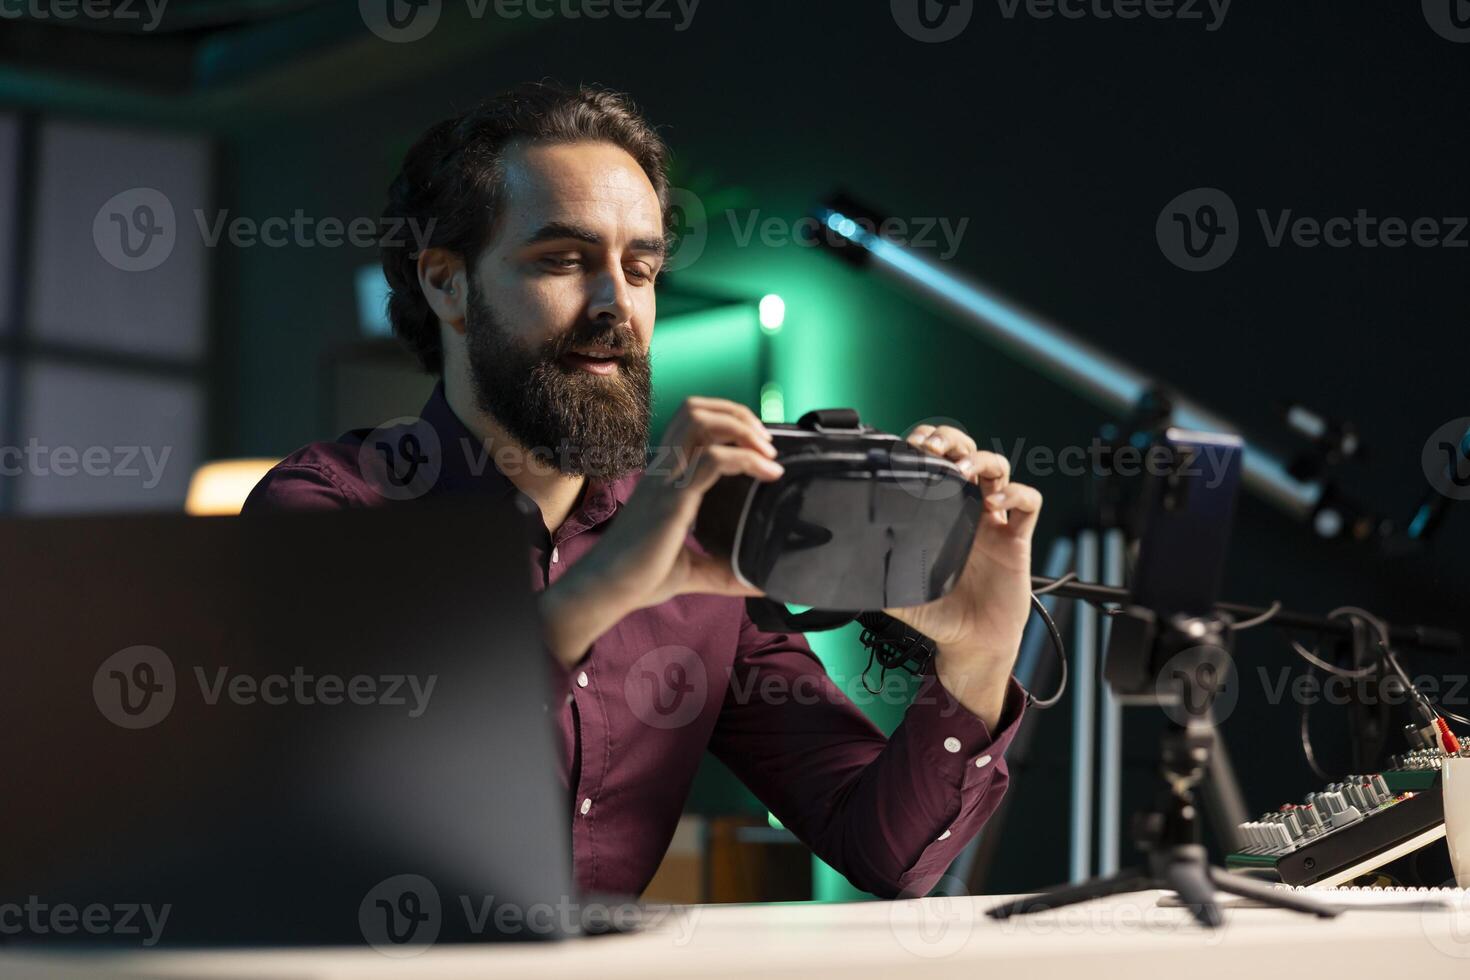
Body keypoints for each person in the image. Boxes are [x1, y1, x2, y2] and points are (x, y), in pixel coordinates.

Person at [243, 81, 1043, 900]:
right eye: (562, 260)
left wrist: (976, 659)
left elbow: (883, 850)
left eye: (641, 267)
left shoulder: (701, 548)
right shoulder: (323, 513)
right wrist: (604, 587)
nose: (615, 304)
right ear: (447, 283)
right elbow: (363, 794)